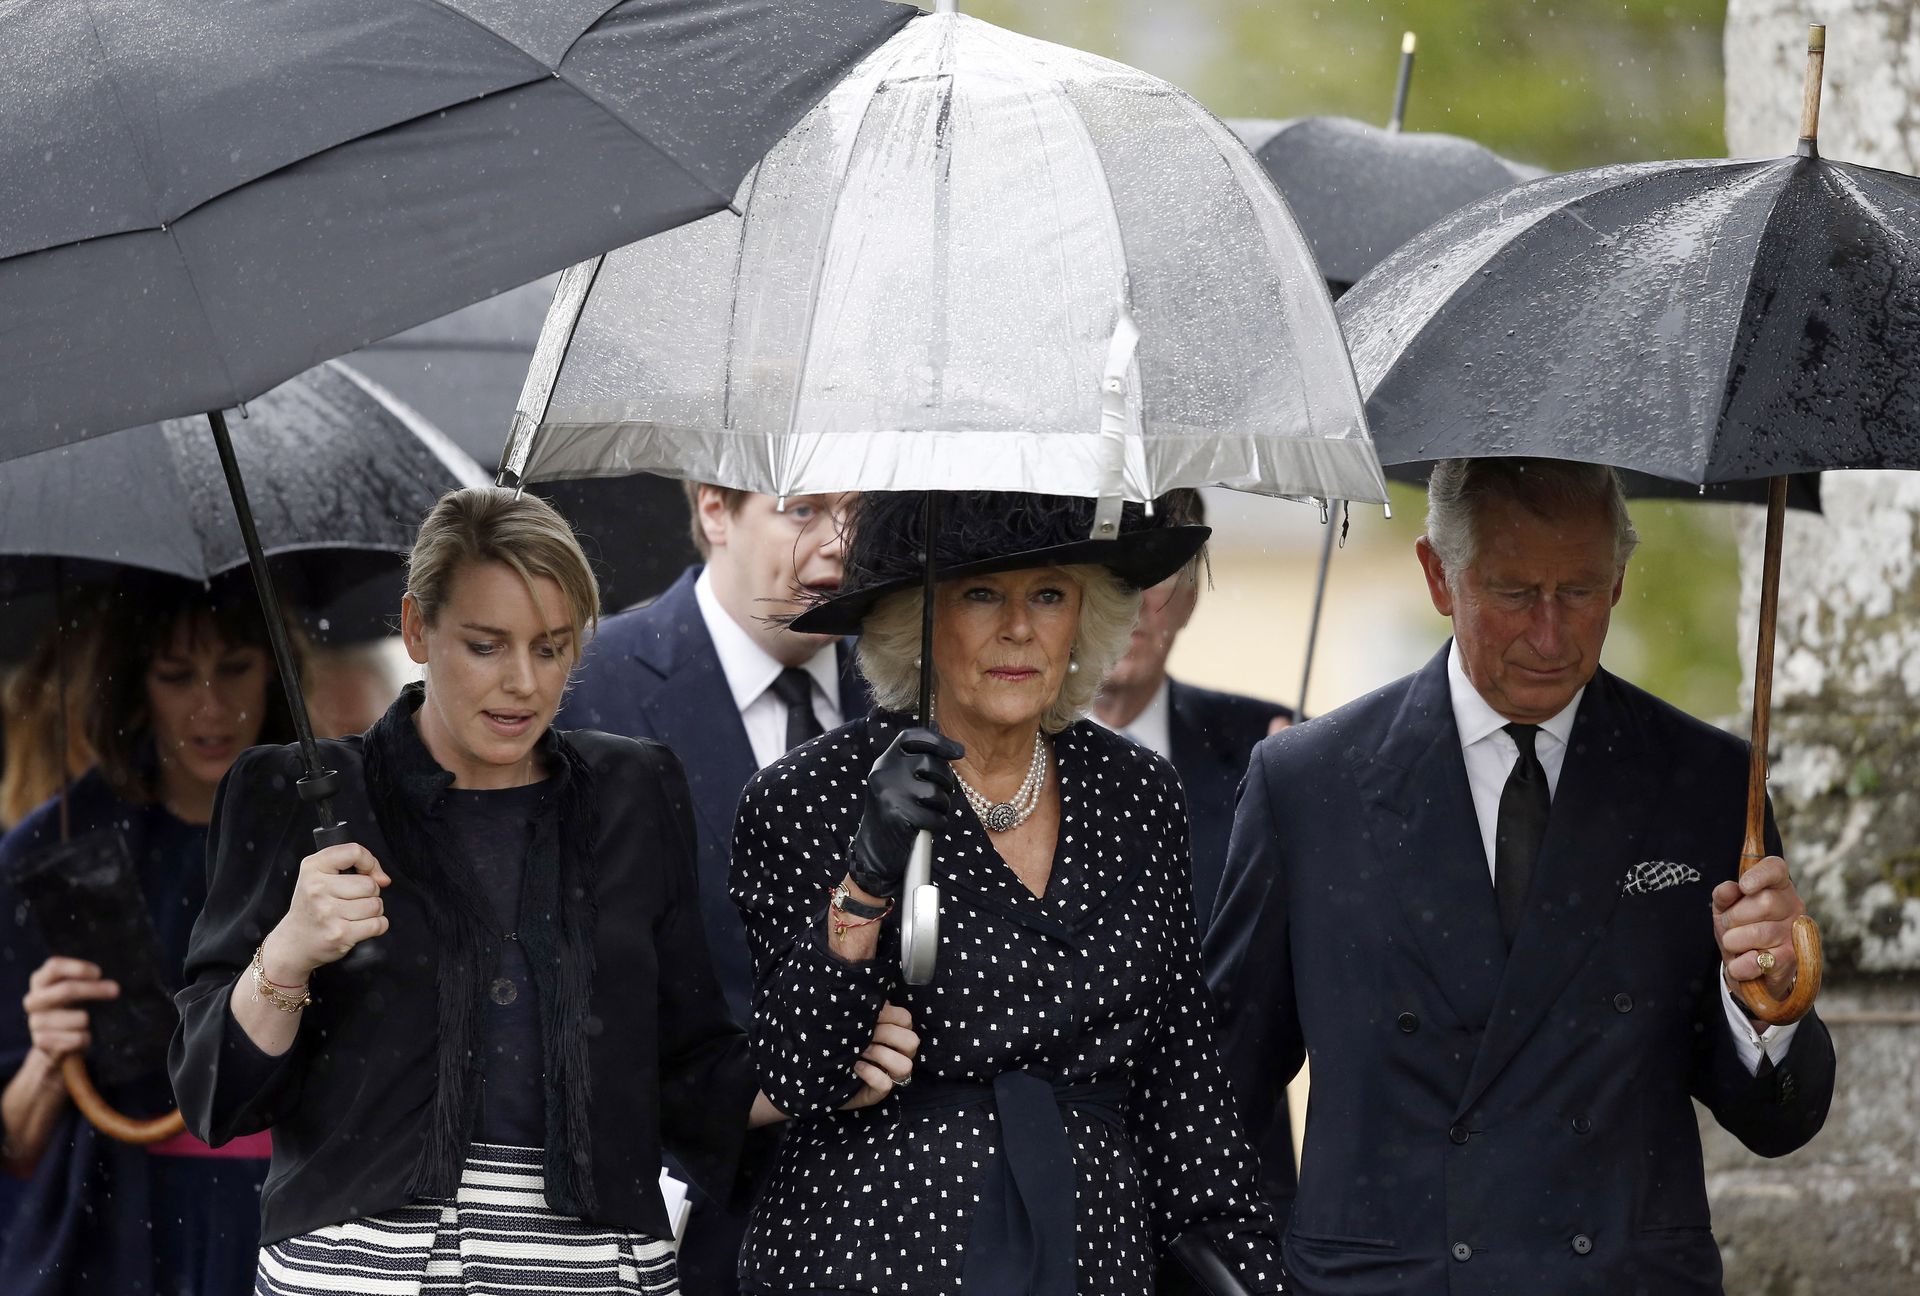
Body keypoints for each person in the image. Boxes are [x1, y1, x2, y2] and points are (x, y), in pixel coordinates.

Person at [168, 488, 915, 1296]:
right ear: (418, 629)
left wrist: (826, 1053)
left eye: (553, 647)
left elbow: (686, 1076)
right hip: (357, 1270)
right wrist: (286, 956)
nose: (523, 682)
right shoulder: (297, 794)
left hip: (594, 1270)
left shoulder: (635, 788)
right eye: (487, 646)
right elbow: (216, 1095)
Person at [1205, 458, 1836, 1294]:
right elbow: (1214, 1087)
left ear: (1618, 583)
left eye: (1579, 592)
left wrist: (1770, 1003)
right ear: (1438, 574)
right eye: (1513, 593)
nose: (1549, 634)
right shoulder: (1307, 786)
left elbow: (1776, 1121)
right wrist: (1262, 1275)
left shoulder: (1712, 784)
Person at [732, 490, 1286, 1296]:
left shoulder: (1136, 791)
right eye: (982, 593)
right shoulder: (811, 792)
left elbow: (1182, 1084)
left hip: (1091, 1257)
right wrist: (865, 883)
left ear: (1086, 617)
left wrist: (1245, 1269)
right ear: (915, 618)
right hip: (869, 1253)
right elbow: (794, 1071)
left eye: (1050, 594)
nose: (1020, 628)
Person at [558, 483, 868, 1296]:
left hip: (890, 1219)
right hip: (677, 1225)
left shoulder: (920, 687)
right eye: (802, 509)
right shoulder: (586, 687)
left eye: (860, 510)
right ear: (714, 511)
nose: (837, 542)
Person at [0, 581, 301, 1294]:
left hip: (296, 1228)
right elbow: (14, 1145)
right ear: (136, 683)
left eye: (234, 667)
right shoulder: (55, 850)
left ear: (274, 668)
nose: (210, 707)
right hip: (116, 1233)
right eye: (176, 675)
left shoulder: (333, 829)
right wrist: (49, 1056)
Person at [1092, 489, 1292, 929]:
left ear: (1191, 597)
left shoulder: (1272, 750)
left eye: (1158, 569)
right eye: (1111, 569)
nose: (1133, 600)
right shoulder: (981, 757)